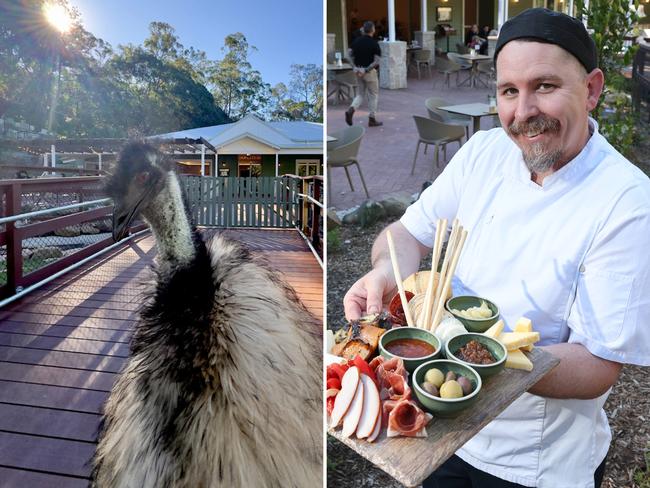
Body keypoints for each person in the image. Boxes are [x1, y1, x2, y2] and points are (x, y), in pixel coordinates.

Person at [343, 8, 650, 488]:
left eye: (544, 86)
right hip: (438, 423)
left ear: (591, 89)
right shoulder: (484, 151)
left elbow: (597, 365)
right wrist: (386, 273)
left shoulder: (627, 202)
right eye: (509, 91)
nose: (523, 112)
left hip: (533, 461)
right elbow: (405, 234)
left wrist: (471, 354)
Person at [345, 21, 383, 127]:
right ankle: (372, 119)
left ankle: (351, 109)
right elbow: (377, 61)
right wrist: (366, 70)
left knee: (360, 94)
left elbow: (348, 56)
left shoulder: (356, 41)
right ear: (372, 30)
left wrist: (355, 67)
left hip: (358, 72)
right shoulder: (374, 43)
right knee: (373, 95)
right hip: (369, 73)